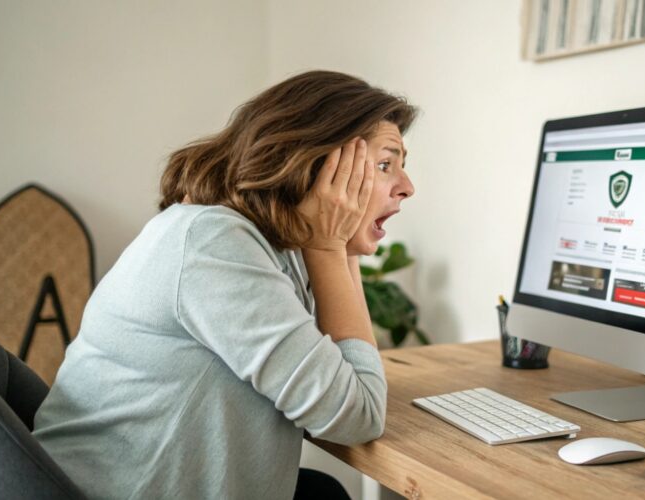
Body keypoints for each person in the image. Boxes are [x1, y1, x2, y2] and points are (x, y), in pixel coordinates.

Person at [32, 70, 417, 499]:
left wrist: (339, 244)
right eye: (386, 165)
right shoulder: (214, 244)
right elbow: (356, 416)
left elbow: (343, 386)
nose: (407, 187)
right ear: (318, 164)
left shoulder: (272, 246)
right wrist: (331, 247)